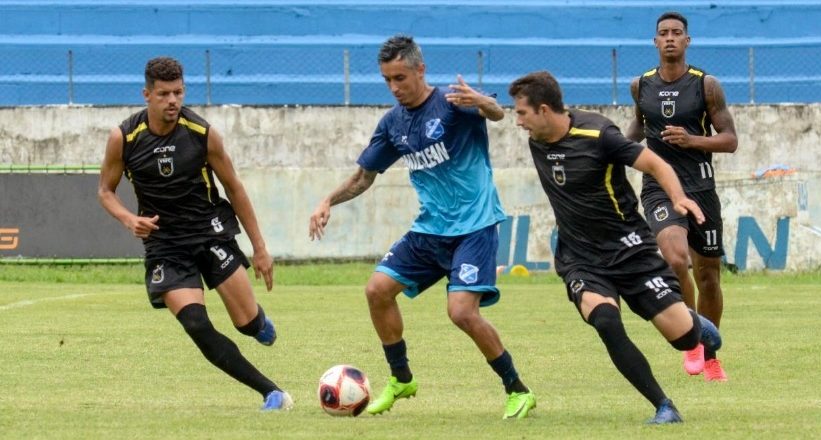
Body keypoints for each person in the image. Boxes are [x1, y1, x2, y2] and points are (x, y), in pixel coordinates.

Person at [308, 35, 536, 419]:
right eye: (387, 80)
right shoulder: (393, 123)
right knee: (377, 290)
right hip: (430, 230)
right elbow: (365, 177)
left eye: (400, 77)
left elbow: (497, 114)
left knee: (462, 312)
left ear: (420, 69)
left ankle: (517, 389)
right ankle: (401, 379)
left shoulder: (453, 102)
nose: (395, 87)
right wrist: (328, 200)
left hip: (474, 226)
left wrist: (484, 102)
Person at [509, 71, 722, 424]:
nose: (517, 122)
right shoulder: (537, 138)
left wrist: (679, 197)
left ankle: (697, 327)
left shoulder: (599, 135)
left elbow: (655, 162)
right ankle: (663, 405)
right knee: (606, 320)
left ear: (544, 110)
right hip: (580, 258)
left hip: (630, 250)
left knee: (685, 340)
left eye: (521, 114)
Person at [97, 56, 292, 411]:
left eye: (178, 92)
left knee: (247, 325)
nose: (173, 101)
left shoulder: (202, 134)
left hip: (210, 233)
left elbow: (234, 188)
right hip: (165, 245)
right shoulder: (124, 137)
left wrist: (260, 248)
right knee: (196, 325)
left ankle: (258, 322)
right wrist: (129, 219)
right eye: (164, 94)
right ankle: (272, 393)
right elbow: (105, 191)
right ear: (147, 95)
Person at [627, 11, 738, 381]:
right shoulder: (640, 86)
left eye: (677, 33)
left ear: (687, 41)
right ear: (655, 42)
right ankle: (690, 339)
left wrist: (693, 141)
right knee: (675, 259)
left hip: (701, 187)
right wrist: (602, 151)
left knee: (708, 276)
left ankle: (710, 354)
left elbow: (730, 140)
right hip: (659, 187)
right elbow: (635, 132)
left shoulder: (706, 85)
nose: (670, 38)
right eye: (663, 33)